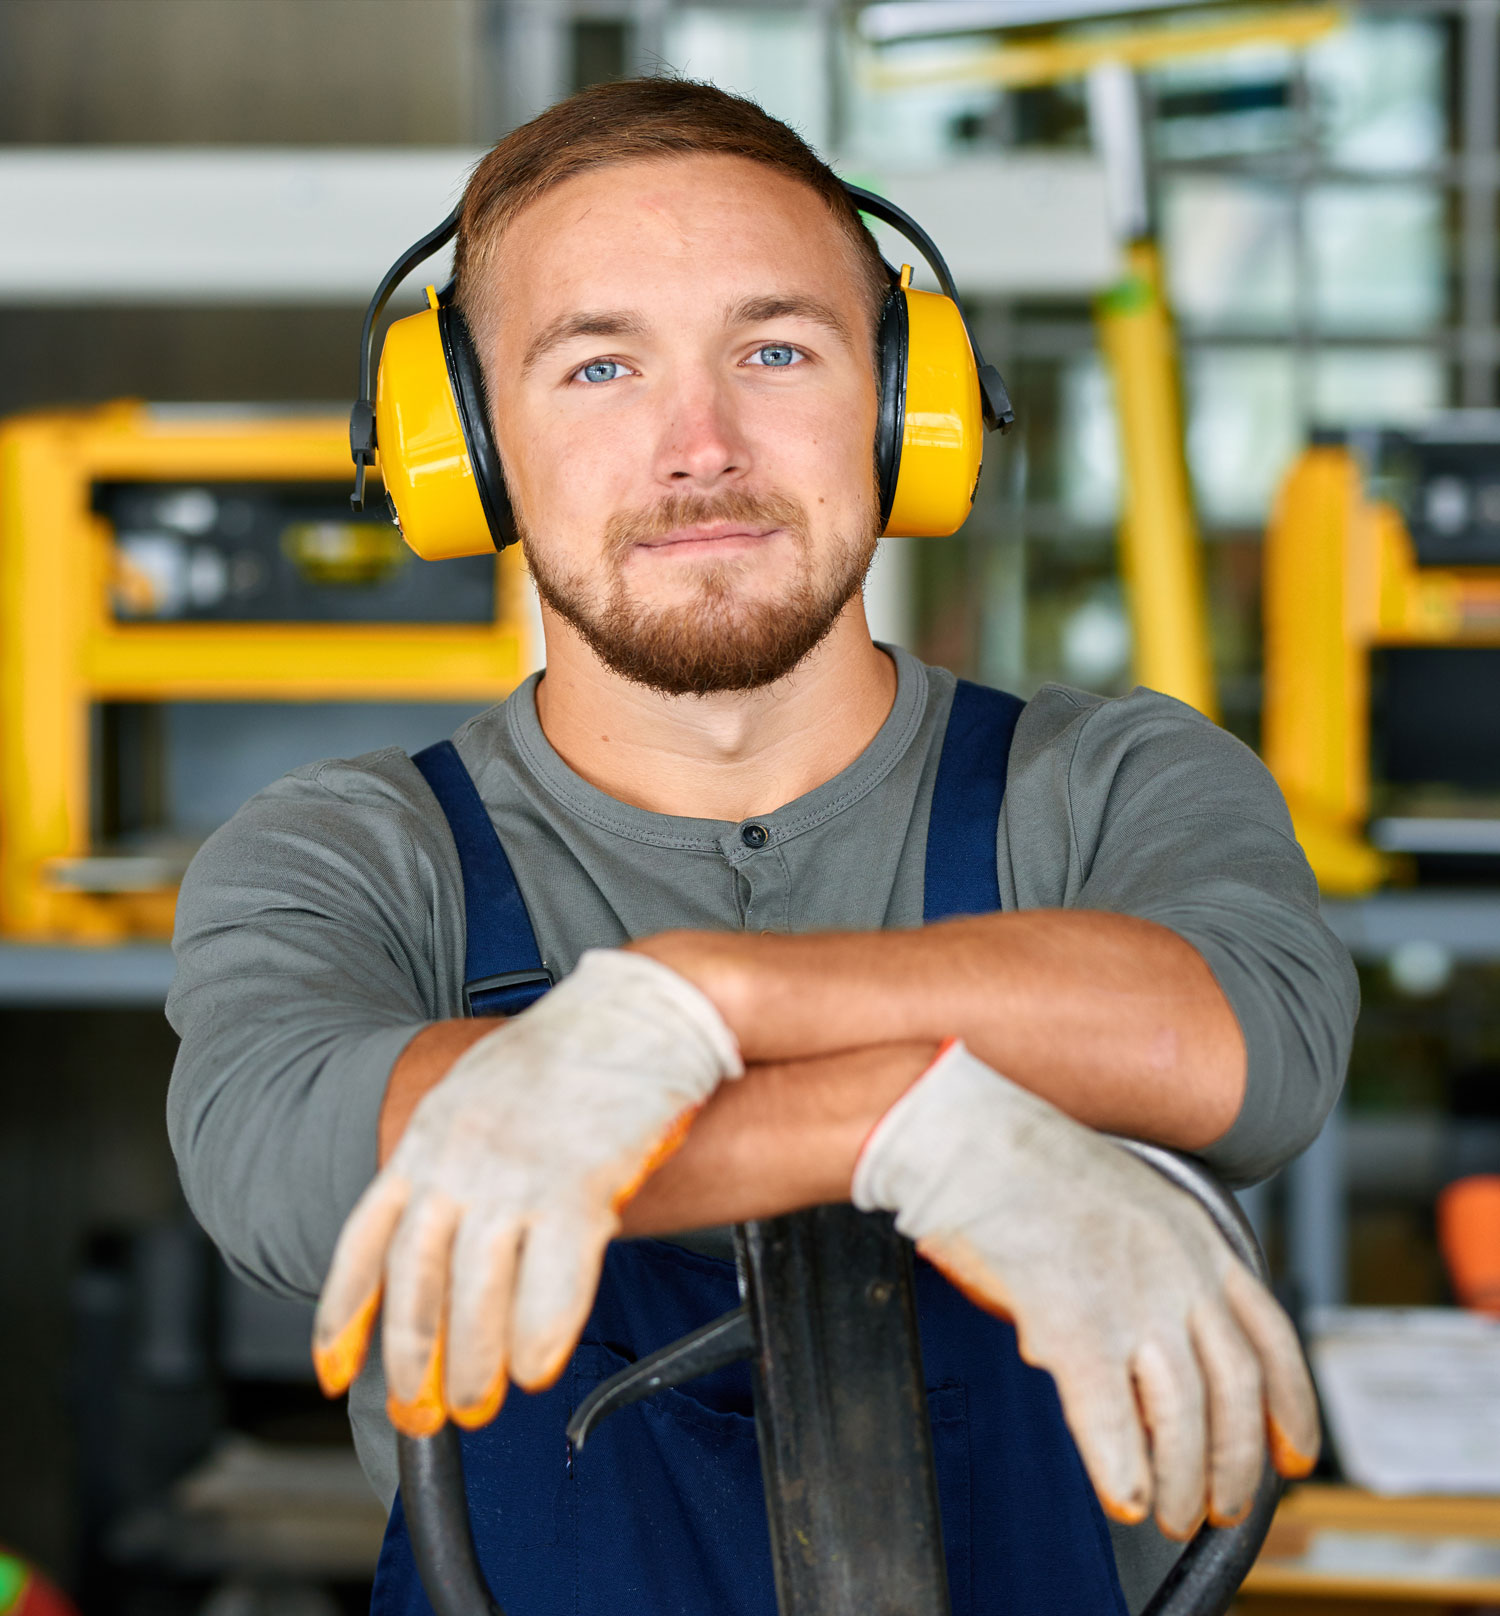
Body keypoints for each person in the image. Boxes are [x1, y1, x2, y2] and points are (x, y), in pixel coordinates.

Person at [167, 77, 1358, 1616]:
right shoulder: (347, 854)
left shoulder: (1108, 782)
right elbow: (293, 1165)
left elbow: (1235, 1043)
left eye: (777, 350)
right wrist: (911, 1124)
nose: (701, 446)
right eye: (599, 366)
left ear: (902, 410)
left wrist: (697, 1006)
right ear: (468, 450)